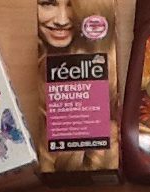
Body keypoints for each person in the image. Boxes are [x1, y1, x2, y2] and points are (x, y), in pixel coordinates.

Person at [37, 0, 119, 174]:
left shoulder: (110, 67)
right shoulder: (29, 68)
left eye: (71, 5)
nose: (61, 20)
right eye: (48, 3)